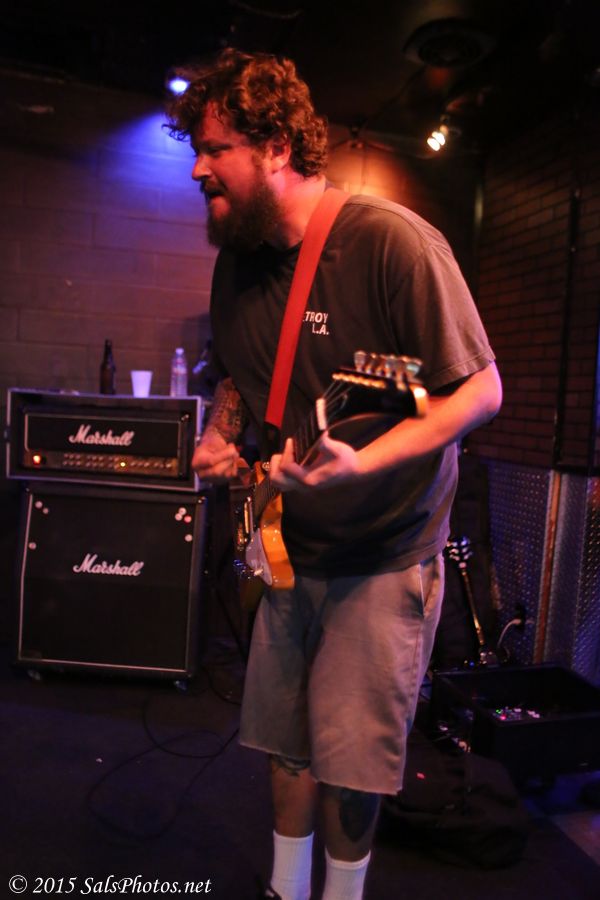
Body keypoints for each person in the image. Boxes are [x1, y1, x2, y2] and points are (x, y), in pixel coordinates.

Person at [167, 48, 502, 900]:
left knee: (352, 763)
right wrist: (220, 436)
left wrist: (367, 464)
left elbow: (480, 391)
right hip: (292, 549)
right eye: (197, 151)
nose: (199, 169)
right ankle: (286, 890)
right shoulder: (238, 261)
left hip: (383, 555)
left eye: (216, 149)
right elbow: (240, 375)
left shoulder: (391, 242)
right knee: (286, 746)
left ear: (276, 147)